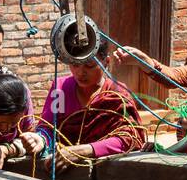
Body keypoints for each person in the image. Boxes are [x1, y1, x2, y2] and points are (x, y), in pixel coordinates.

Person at [40, 36, 146, 165]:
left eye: (89, 65)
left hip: (105, 170)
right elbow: (49, 128)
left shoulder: (117, 94)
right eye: (75, 64)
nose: (80, 72)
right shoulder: (61, 90)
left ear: (106, 62)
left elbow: (129, 138)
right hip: (62, 168)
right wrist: (39, 140)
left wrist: (84, 150)